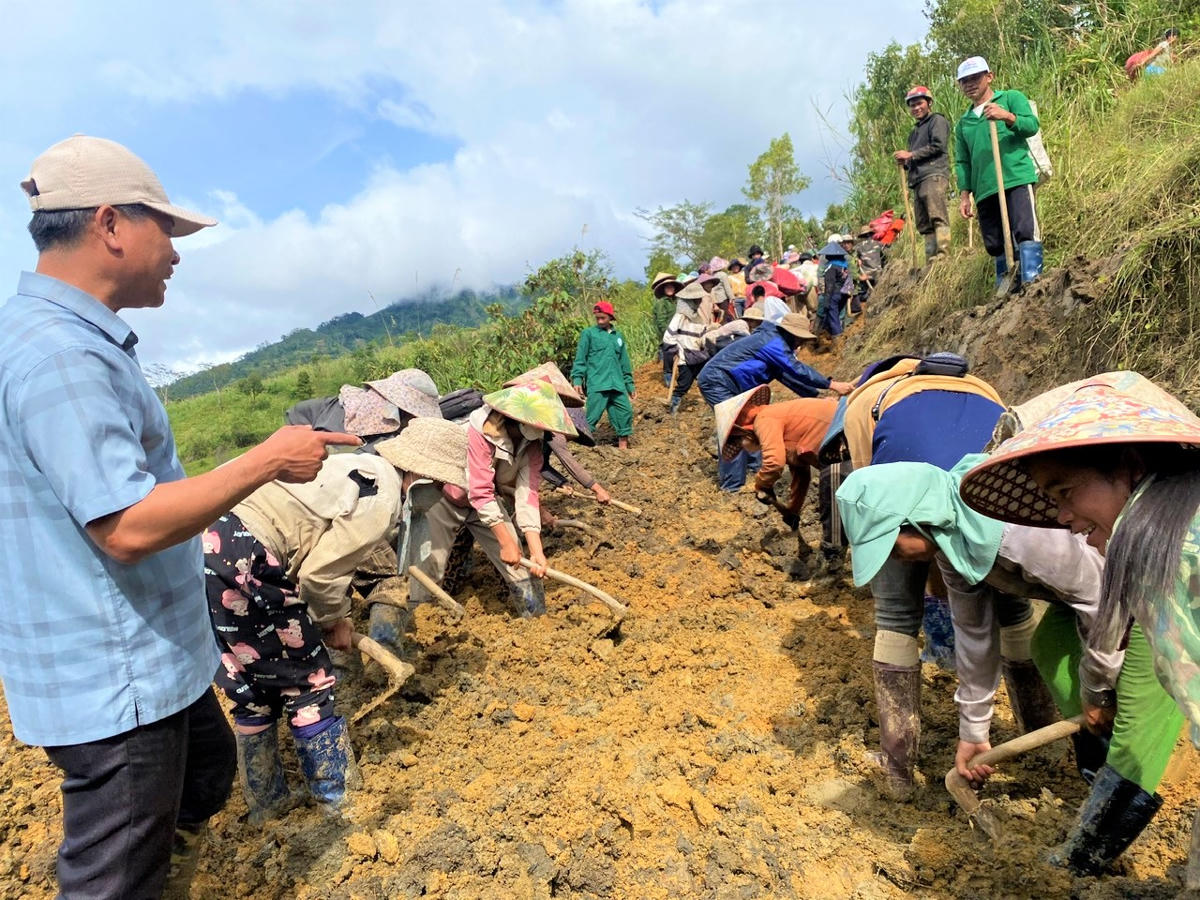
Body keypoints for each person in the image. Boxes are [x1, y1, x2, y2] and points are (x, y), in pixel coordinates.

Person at [0, 135, 358, 898]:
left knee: (205, 775)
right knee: (114, 876)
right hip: (115, 678)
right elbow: (125, 525)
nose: (177, 254)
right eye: (167, 230)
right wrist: (266, 458)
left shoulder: (59, 342)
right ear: (110, 225)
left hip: (155, 655)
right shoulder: (63, 356)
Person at [838, 455, 1182, 862]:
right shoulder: (953, 549)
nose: (896, 560)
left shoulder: (1009, 534)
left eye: (893, 546)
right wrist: (973, 732)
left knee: (1136, 706)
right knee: (1049, 647)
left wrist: (1102, 689)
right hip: (1095, 595)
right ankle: (1099, 764)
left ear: (917, 520)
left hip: (1150, 588)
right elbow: (974, 639)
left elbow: (1103, 599)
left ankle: (1093, 848)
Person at [960, 376, 1200, 878]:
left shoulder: (1174, 555)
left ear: (1131, 467)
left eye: (1066, 492)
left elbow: (1106, 619)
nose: (1064, 517)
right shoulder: (1162, 529)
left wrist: (1102, 694)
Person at [827, 354, 1005, 798]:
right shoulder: (987, 390)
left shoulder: (865, 400)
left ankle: (897, 769)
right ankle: (1036, 745)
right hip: (989, 491)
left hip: (905, 486)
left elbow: (872, 495)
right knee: (1007, 601)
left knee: (894, 614)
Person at [204, 451, 401, 821]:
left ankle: (267, 805)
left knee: (250, 687)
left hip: (199, 542)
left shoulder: (347, 465)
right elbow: (319, 578)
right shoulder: (385, 491)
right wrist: (333, 620)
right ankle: (339, 805)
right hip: (247, 549)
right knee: (308, 683)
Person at [413, 381, 576, 617]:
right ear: (514, 420)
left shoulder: (532, 445)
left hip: (483, 502)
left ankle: (537, 618)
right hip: (445, 496)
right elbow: (480, 490)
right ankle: (418, 621)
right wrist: (505, 542)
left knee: (519, 565)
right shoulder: (479, 430)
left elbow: (527, 495)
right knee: (430, 565)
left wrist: (536, 550)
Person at [697, 313, 852, 491]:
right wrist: (832, 384)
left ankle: (756, 469)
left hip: (735, 384)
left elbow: (788, 377)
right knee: (737, 428)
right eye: (799, 339)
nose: (800, 344)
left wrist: (817, 398)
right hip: (718, 381)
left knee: (754, 421)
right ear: (790, 333)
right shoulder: (772, 341)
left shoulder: (775, 344)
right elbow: (796, 369)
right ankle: (732, 486)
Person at [954, 56, 1043, 289]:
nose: (970, 84)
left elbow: (1031, 126)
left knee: (1024, 229)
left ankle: (1032, 282)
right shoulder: (963, 123)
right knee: (995, 242)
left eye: (975, 78)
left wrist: (1007, 116)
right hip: (985, 188)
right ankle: (1006, 288)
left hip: (1015, 177)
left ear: (989, 76)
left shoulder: (1011, 98)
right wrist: (965, 195)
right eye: (964, 81)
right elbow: (963, 161)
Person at [717, 386, 838, 541]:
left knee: (835, 498)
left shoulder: (764, 419)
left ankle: (833, 554)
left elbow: (774, 462)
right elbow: (801, 476)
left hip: (841, 437)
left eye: (740, 444)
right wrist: (793, 511)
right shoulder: (782, 424)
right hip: (837, 439)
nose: (744, 449)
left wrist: (762, 485)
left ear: (743, 431)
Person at [894, 86, 952, 259]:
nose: (916, 108)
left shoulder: (937, 121)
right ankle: (930, 259)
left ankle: (944, 254)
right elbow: (913, 159)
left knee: (937, 215)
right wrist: (905, 162)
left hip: (933, 175)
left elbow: (938, 145)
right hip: (918, 180)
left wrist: (911, 154)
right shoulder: (914, 133)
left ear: (929, 103)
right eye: (912, 105)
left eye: (919, 103)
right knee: (924, 223)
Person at [570, 302, 637, 449]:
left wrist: (629, 384)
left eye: (603, 318)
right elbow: (580, 358)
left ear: (610, 317)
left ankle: (623, 447)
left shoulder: (618, 337)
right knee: (591, 417)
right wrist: (577, 379)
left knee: (624, 412)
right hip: (598, 382)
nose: (600, 321)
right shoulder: (589, 334)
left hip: (617, 384)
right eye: (597, 318)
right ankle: (582, 448)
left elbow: (624, 363)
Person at [664, 280, 716, 413]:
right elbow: (668, 337)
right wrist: (673, 351)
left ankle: (713, 405)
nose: (699, 302)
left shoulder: (697, 317)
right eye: (696, 299)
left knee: (708, 379)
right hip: (685, 357)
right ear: (689, 300)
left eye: (699, 299)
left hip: (699, 354)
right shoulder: (680, 316)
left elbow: (701, 335)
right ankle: (673, 409)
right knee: (684, 385)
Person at [650, 272, 683, 386]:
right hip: (666, 334)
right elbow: (661, 322)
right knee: (668, 355)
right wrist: (669, 335)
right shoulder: (661, 303)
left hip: (678, 332)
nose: (670, 288)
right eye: (667, 287)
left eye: (671, 286)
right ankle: (668, 375)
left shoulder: (677, 301)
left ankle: (680, 376)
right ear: (664, 289)